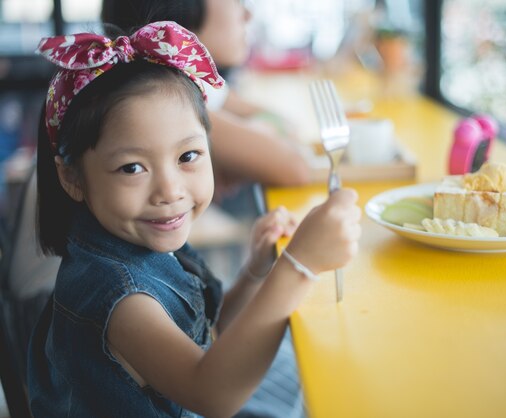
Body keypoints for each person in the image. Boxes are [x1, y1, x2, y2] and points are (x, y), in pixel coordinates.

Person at [27, 21, 361, 417]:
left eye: (187, 157)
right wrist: (300, 264)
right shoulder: (120, 298)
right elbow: (212, 392)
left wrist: (256, 273)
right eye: (132, 168)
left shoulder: (141, 239)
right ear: (72, 177)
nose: (170, 191)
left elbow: (208, 335)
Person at [101, 0, 312, 199]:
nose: (248, 14)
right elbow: (296, 168)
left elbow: (284, 124)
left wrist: (258, 132)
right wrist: (259, 133)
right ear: (184, 7)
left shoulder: (199, 81)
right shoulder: (164, 99)